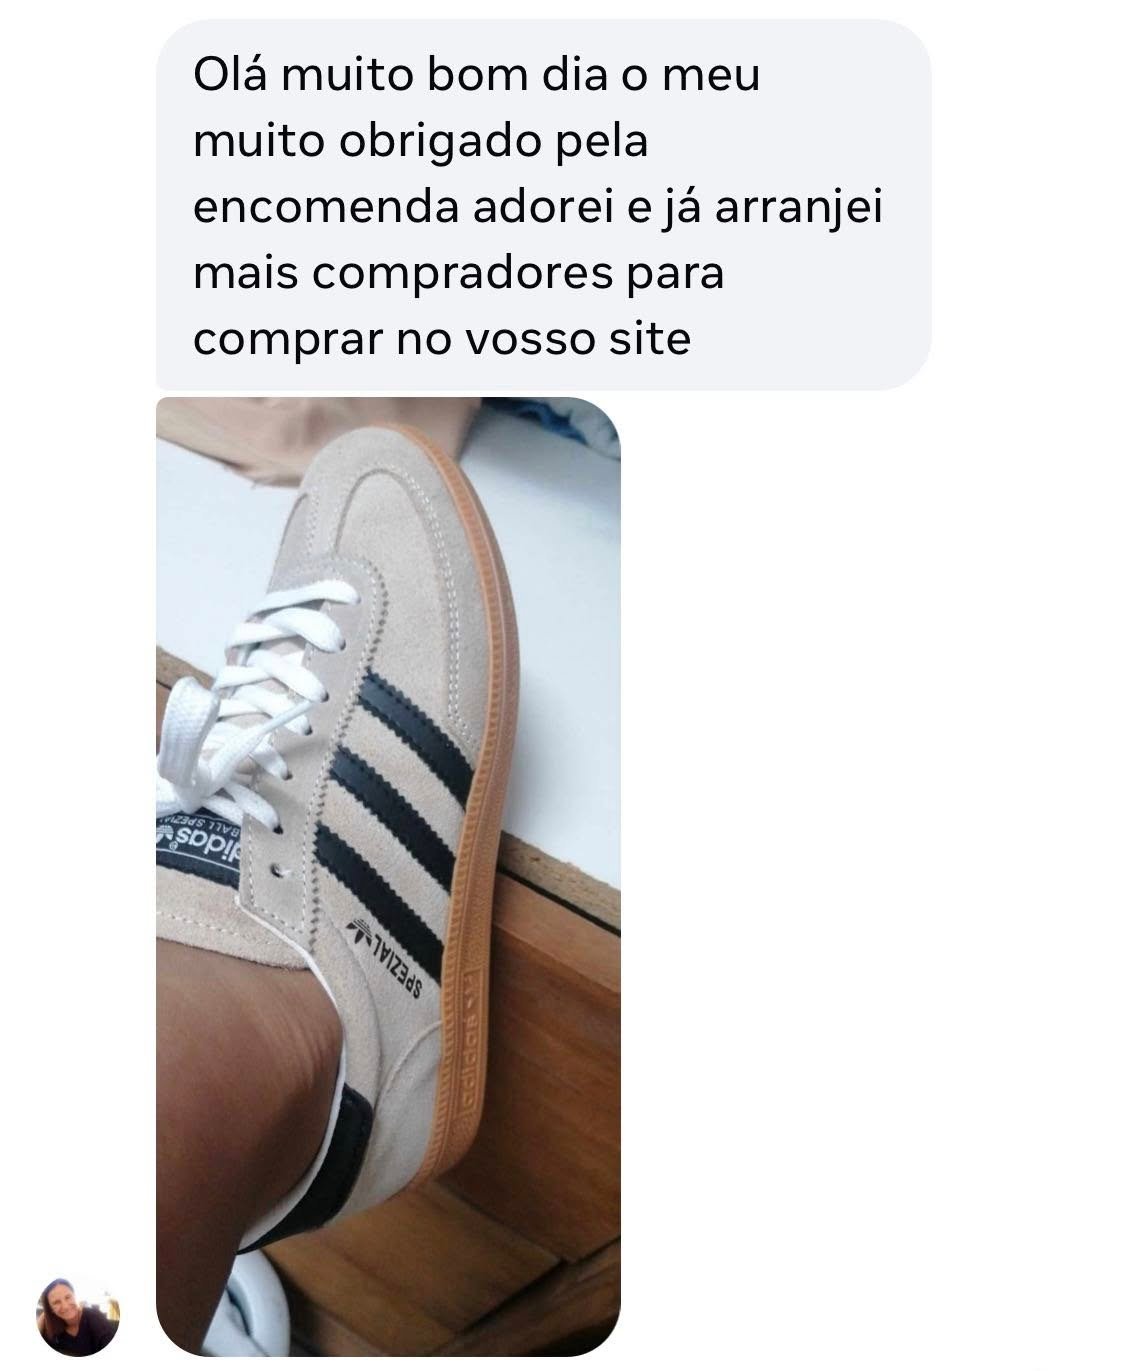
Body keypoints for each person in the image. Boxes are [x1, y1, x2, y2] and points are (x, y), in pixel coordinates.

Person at [37, 1280, 118, 1356]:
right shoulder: (52, 1326)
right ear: (50, 1309)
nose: (65, 1306)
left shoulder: (94, 1317)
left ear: (75, 1296)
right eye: (56, 1302)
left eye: (68, 1297)